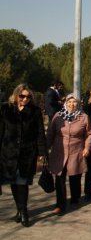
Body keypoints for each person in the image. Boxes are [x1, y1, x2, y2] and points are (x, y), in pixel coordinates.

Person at [0, 83, 47, 227]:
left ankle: (24, 211)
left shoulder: (35, 111)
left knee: (22, 182)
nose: (25, 99)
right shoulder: (5, 109)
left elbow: (40, 133)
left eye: (28, 97)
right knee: (14, 182)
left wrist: (42, 154)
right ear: (16, 95)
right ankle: (19, 209)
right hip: (8, 153)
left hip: (27, 154)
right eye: (22, 96)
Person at [47, 93, 91, 214]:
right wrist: (45, 149)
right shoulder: (58, 116)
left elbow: (89, 134)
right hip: (59, 151)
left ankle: (74, 199)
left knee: (75, 177)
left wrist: (87, 147)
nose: (72, 104)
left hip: (76, 150)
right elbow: (50, 133)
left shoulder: (83, 117)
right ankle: (60, 204)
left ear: (78, 104)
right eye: (69, 102)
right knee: (59, 178)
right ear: (65, 103)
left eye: (74, 102)